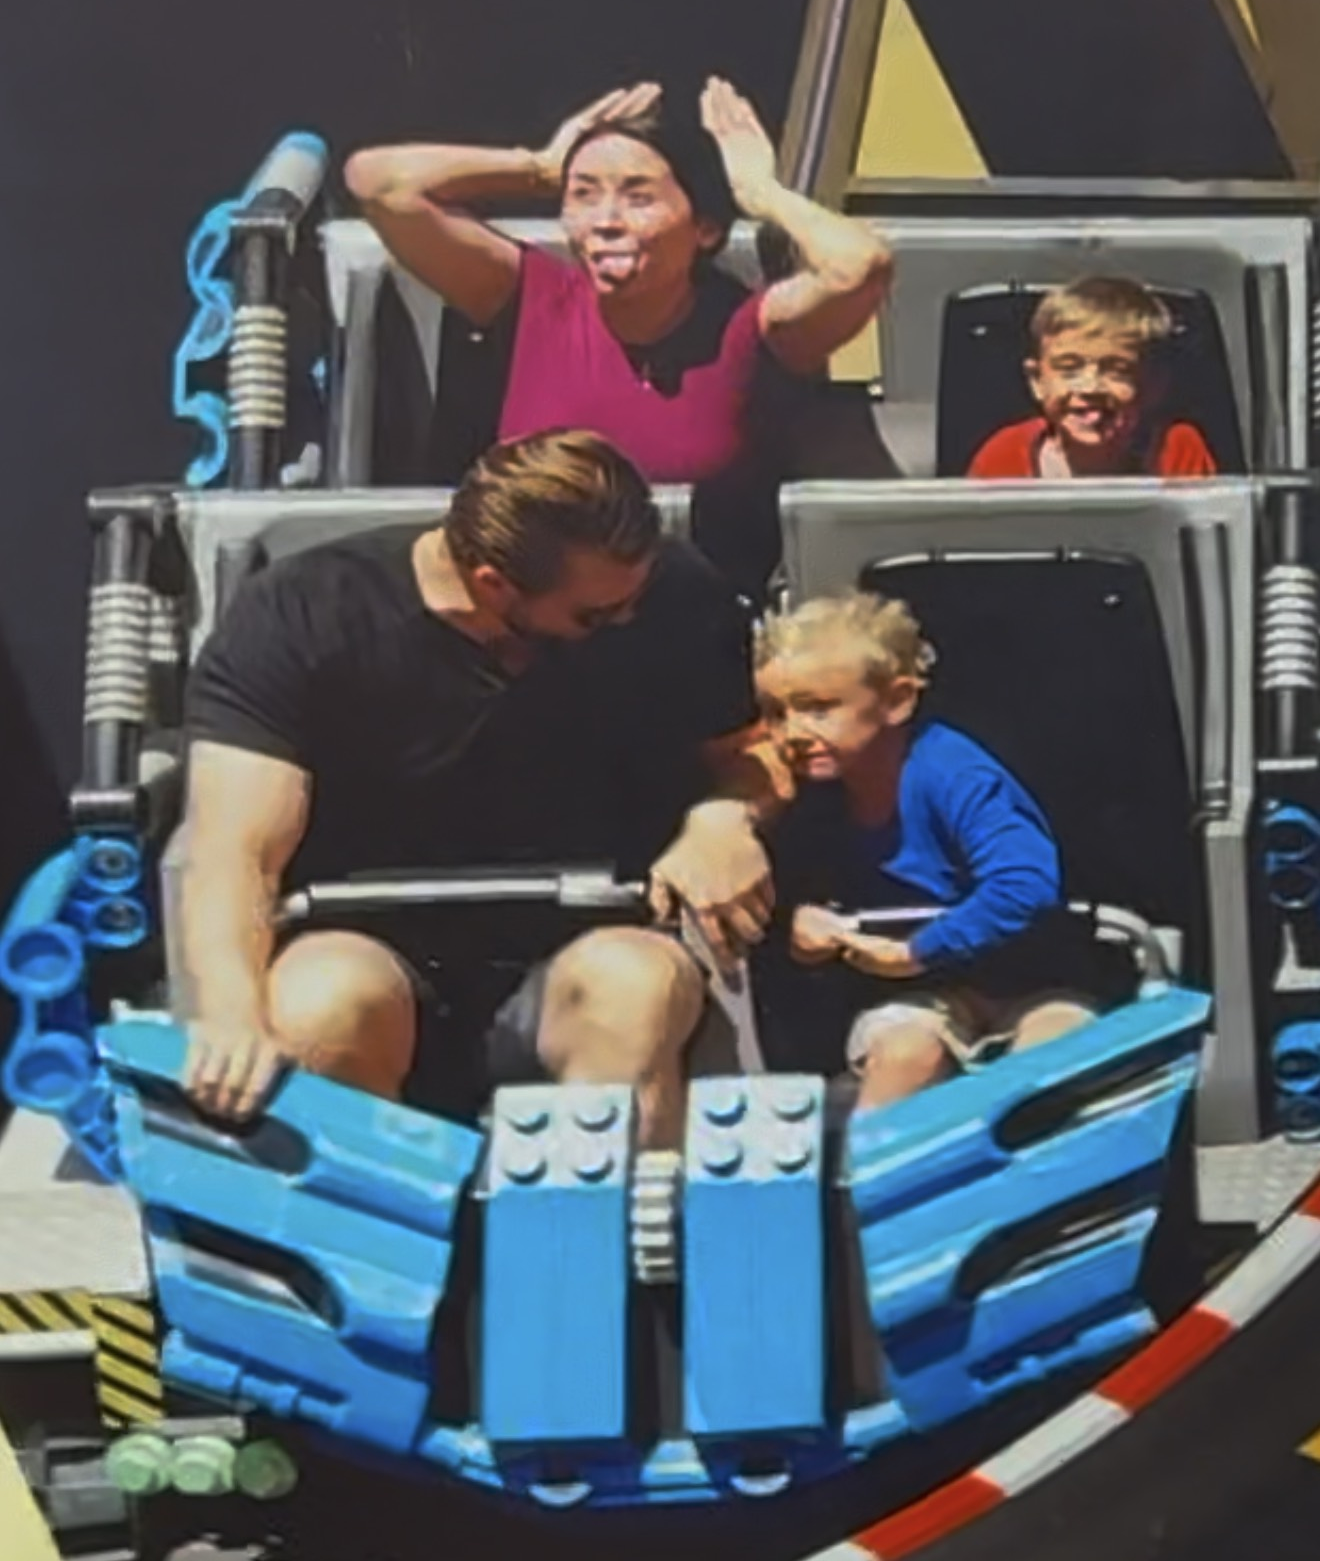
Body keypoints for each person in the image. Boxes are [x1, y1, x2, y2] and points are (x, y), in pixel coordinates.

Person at [178, 430, 780, 1148]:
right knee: (319, 1005)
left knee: (635, 990)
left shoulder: (673, 599)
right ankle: (378, 1246)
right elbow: (234, 851)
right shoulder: (304, 614)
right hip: (369, 946)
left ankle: (594, 1245)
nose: (626, 618)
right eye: (594, 614)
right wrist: (231, 1014)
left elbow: (750, 759)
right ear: (493, 583)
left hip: (588, 941)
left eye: (636, 595)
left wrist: (721, 822)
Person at [344, 78, 891, 597]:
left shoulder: (751, 327)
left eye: (638, 197)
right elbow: (380, 184)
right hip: (533, 619)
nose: (605, 221)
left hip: (700, 620)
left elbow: (860, 267)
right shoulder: (534, 296)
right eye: (582, 196)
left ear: (705, 228)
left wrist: (761, 192)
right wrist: (537, 167)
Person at [753, 592, 1096, 1110]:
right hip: (918, 1000)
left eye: (819, 710)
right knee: (905, 1052)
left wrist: (917, 952)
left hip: (1037, 982)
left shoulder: (952, 774)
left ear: (896, 701)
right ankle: (865, 1180)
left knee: (1049, 1055)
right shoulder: (811, 795)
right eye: (776, 714)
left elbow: (1024, 884)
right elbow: (796, 894)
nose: (794, 733)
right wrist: (802, 926)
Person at [966, 277, 1218, 480]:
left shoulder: (1176, 450)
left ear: (1154, 385)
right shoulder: (1003, 456)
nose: (1090, 387)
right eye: (1069, 368)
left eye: (1117, 370)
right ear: (1036, 381)